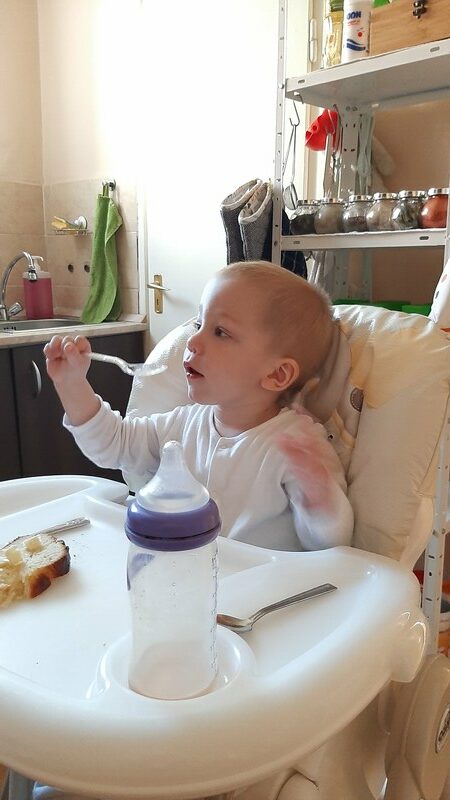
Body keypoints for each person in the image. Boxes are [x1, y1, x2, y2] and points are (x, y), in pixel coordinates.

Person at [44, 261, 353, 552]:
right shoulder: (182, 425)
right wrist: (73, 386)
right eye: (198, 324)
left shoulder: (298, 445)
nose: (192, 342)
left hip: (256, 584)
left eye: (221, 332)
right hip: (182, 573)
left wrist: (319, 494)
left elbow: (330, 544)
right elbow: (115, 444)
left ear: (277, 375)